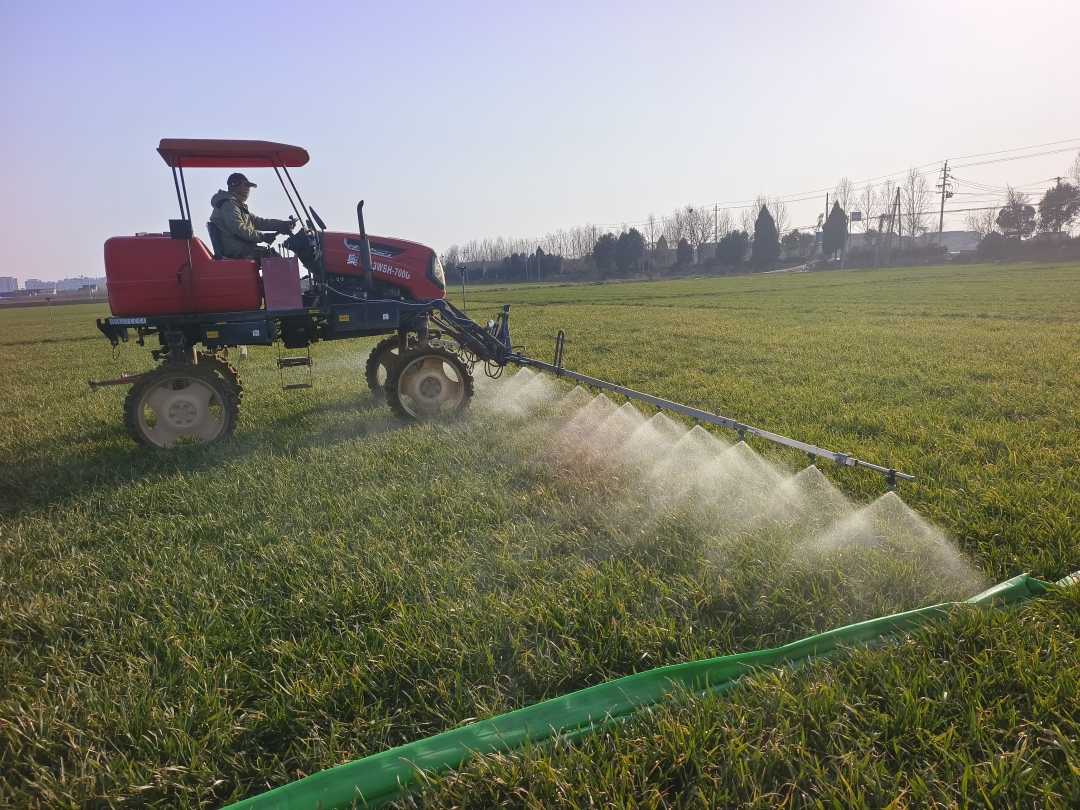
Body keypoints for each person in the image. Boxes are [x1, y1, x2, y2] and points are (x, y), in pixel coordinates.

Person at [209, 173, 295, 260]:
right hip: (236, 251)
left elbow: (260, 222)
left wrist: (282, 225)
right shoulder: (228, 205)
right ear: (234, 185)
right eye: (246, 185)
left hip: (242, 248)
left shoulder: (237, 206)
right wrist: (262, 237)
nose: (248, 189)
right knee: (275, 259)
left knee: (273, 257)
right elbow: (238, 229)